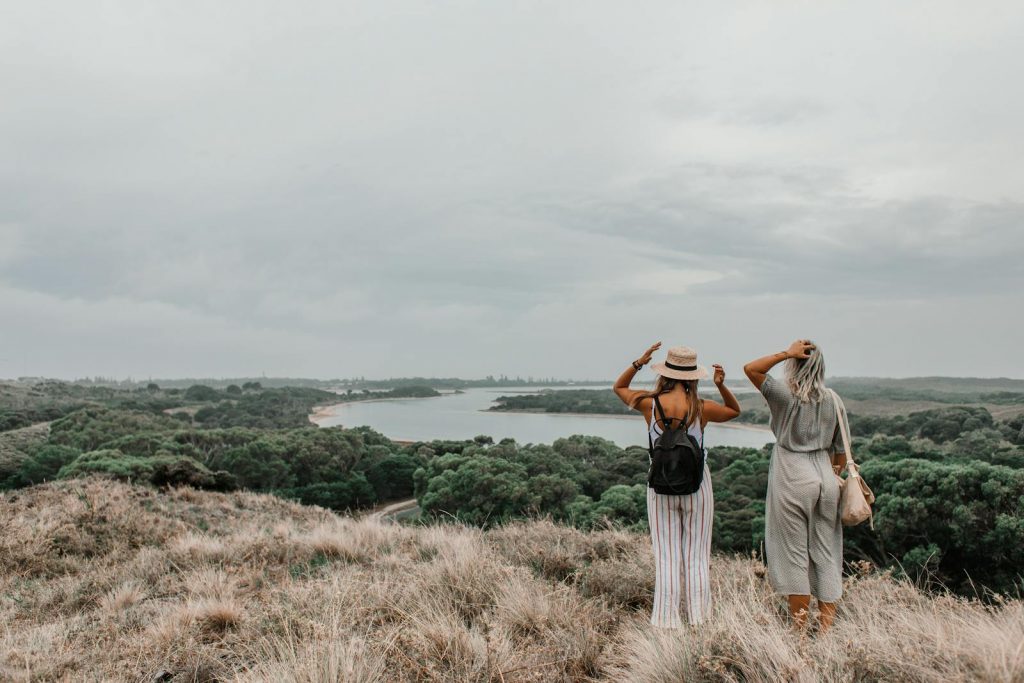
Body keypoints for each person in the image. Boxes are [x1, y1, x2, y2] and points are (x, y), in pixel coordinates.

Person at [614, 342, 741, 627]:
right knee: (696, 556)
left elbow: (619, 388)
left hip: (659, 485)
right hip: (697, 485)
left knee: (667, 556)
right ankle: (699, 620)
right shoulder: (701, 407)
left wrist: (639, 362)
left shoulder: (649, 403)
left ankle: (666, 622)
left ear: (665, 374)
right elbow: (734, 411)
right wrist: (721, 385)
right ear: (694, 376)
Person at [743, 339, 848, 633]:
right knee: (827, 553)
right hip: (827, 480)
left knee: (794, 555)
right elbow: (841, 449)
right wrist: (831, 474)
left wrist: (785, 353)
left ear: (794, 364)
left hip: (792, 476)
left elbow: (751, 369)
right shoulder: (833, 400)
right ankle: (825, 632)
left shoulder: (784, 396)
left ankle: (799, 632)